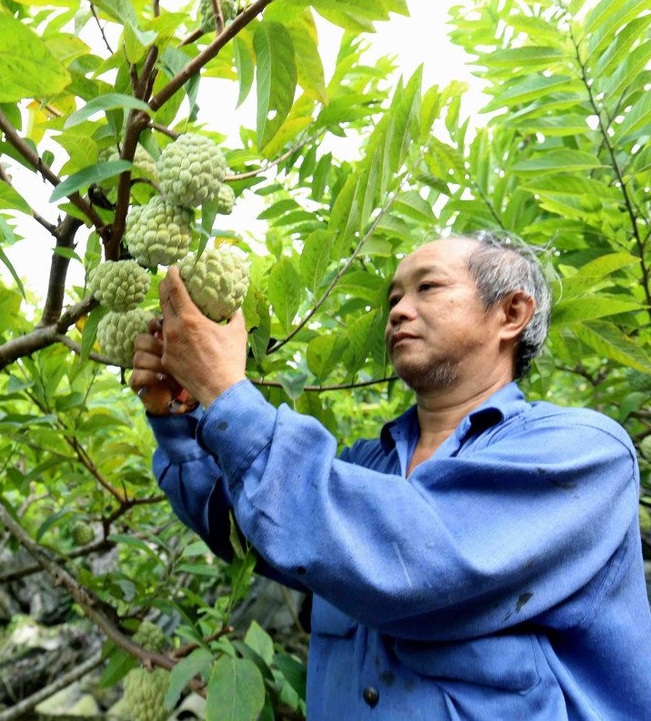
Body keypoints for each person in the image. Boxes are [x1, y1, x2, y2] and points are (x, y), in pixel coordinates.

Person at [129, 232, 651, 720]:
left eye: (427, 287)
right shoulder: (361, 469)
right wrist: (179, 415)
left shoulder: (579, 453)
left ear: (511, 312)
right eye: (393, 298)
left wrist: (229, 393)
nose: (398, 310)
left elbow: (416, 556)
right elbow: (244, 524)